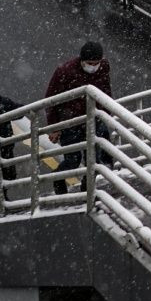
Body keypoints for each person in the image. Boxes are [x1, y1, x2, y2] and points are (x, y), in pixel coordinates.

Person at [45, 41, 115, 195]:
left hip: (93, 118)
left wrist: (107, 113)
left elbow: (105, 89)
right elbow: (51, 99)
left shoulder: (103, 67)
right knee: (72, 160)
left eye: (97, 63)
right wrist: (54, 127)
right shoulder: (65, 71)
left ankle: (87, 188)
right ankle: (58, 179)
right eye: (90, 63)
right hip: (71, 122)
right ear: (82, 61)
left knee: (97, 159)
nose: (94, 66)